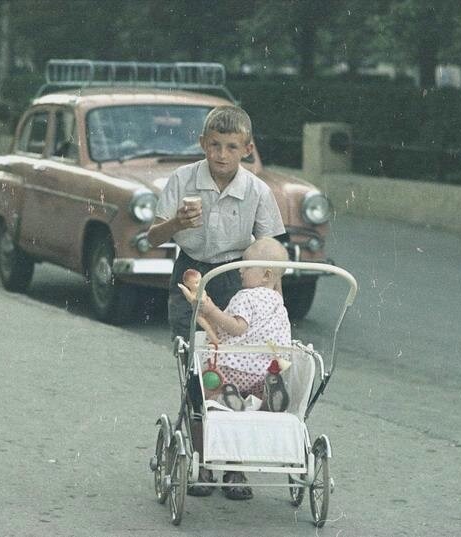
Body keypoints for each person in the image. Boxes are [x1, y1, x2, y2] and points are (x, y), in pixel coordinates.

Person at [147, 105, 286, 499]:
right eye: (214, 145)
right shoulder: (182, 179)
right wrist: (177, 223)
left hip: (237, 281)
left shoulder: (257, 191)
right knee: (199, 373)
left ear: (247, 149)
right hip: (190, 276)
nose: (221, 155)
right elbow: (151, 238)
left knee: (245, 375)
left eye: (231, 147)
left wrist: (278, 310)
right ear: (202, 144)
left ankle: (235, 469)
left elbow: (270, 260)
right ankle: (203, 460)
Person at [177, 237, 291, 501]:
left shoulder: (246, 297)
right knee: (244, 420)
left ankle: (204, 468)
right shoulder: (278, 302)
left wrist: (210, 309)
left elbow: (236, 327)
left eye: (246, 264)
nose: (239, 269)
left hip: (233, 369)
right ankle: (235, 474)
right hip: (265, 371)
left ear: (264, 274)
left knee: (205, 403)